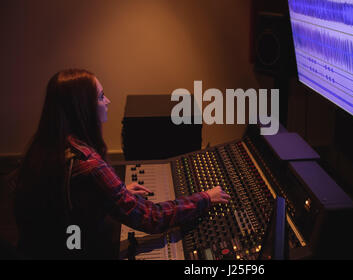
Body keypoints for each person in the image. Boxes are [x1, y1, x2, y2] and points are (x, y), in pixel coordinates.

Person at [14, 69, 230, 259]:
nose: (107, 101)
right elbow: (151, 218)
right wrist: (205, 197)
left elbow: (69, 205)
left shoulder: (45, 148)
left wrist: (109, 195)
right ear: (82, 108)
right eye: (100, 97)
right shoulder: (89, 165)